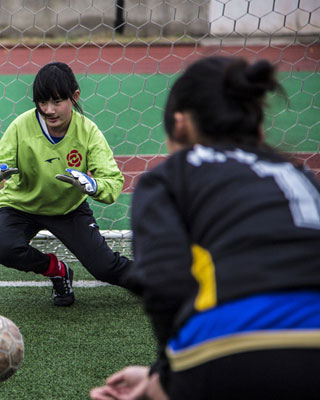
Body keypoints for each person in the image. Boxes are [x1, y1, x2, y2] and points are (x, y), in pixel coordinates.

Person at [90, 56, 320, 399]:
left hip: (225, 349)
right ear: (257, 129)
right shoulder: (300, 175)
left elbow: (165, 283)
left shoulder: (169, 179)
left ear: (180, 126)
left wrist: (163, 378)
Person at [0, 61, 135, 307]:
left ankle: (160, 283)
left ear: (75, 96)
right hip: (21, 206)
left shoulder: (88, 132)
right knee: (4, 248)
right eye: (41, 102)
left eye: (57, 101)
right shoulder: (21, 126)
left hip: (68, 209)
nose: (48, 109)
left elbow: (113, 184)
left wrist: (92, 186)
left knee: (104, 268)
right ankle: (58, 270)